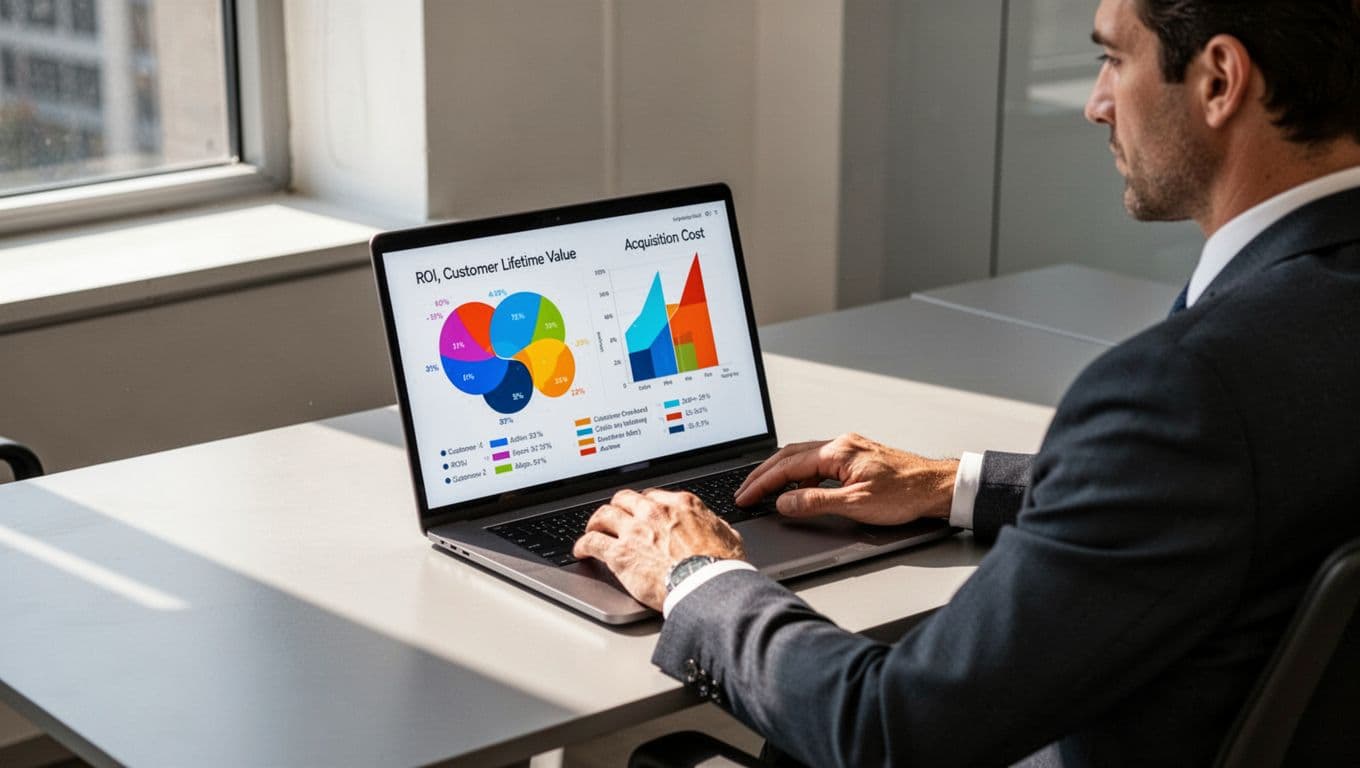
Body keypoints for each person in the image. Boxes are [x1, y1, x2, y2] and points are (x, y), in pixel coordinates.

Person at [574, 0, 1360, 764]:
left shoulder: (1186, 388)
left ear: (1220, 79)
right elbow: (1254, 477)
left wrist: (696, 576)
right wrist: (954, 483)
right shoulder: (1287, 333)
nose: (1094, 104)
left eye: (1115, 59)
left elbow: (890, 731)